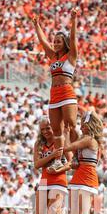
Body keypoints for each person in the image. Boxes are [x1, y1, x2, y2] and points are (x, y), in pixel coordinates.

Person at [32, 9, 78, 171]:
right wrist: (36, 25)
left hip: (67, 92)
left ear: (64, 43)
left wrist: (73, 21)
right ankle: (59, 158)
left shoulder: (71, 56)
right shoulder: (53, 57)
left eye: (59, 41)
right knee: (57, 130)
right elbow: (43, 41)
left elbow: (73, 39)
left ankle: (77, 154)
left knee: (71, 125)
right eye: (55, 41)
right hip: (54, 94)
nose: (55, 43)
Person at [64, 111, 103, 214]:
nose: (81, 128)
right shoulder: (87, 139)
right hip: (79, 177)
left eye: (82, 125)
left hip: (86, 178)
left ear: (89, 125)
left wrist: (65, 133)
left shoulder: (89, 139)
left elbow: (67, 147)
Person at [33, 117, 71, 214]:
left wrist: (58, 170)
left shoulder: (61, 141)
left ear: (53, 128)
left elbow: (71, 162)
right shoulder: (39, 144)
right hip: (44, 181)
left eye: (48, 128)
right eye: (42, 129)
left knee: (52, 213)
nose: (45, 132)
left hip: (58, 181)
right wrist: (52, 155)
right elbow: (37, 164)